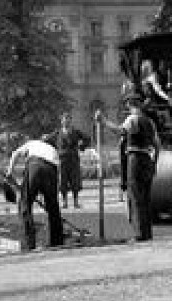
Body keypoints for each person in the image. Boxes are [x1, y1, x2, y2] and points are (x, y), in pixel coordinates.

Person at [97, 93, 160, 241]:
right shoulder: (150, 122)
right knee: (145, 198)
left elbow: (120, 131)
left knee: (135, 196)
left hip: (135, 159)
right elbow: (157, 144)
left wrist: (104, 121)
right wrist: (154, 163)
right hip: (147, 159)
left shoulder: (133, 119)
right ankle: (147, 233)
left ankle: (139, 234)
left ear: (129, 104)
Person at [5, 136, 63, 251]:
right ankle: (57, 242)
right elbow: (58, 173)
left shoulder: (32, 143)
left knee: (25, 205)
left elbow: (15, 154)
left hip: (34, 166)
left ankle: (28, 244)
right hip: (51, 170)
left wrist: (9, 172)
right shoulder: (53, 150)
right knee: (53, 208)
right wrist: (50, 195)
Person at [43, 113, 89, 209]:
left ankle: (76, 202)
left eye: (68, 119)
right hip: (62, 161)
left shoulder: (76, 132)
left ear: (70, 121)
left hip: (74, 160)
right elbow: (46, 140)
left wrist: (82, 146)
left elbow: (87, 138)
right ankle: (65, 202)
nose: (66, 121)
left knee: (75, 181)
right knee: (62, 181)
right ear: (61, 121)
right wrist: (53, 149)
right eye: (64, 119)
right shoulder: (58, 133)